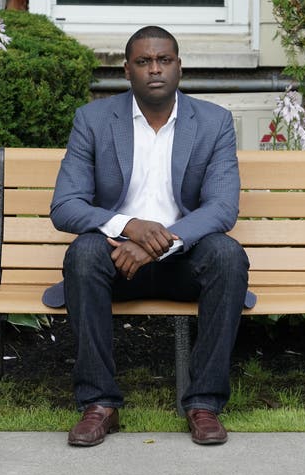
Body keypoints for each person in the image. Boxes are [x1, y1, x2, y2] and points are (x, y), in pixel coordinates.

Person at [43, 25, 253, 447]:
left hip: (185, 260)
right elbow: (65, 205)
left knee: (228, 256)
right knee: (83, 254)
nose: (154, 69)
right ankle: (99, 404)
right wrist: (129, 227)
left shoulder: (213, 123)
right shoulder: (95, 120)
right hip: (117, 260)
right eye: (143, 62)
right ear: (127, 70)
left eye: (164, 60)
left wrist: (159, 242)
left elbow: (221, 208)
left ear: (179, 68)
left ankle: (204, 405)